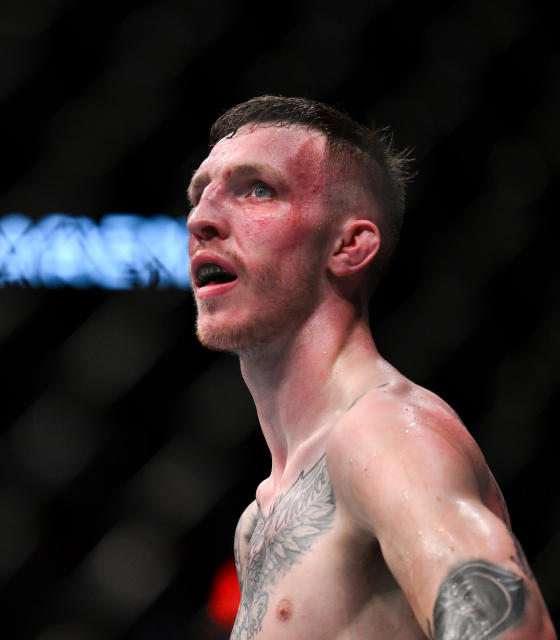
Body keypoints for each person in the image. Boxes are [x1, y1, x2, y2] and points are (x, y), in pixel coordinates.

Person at [186, 95, 556, 639]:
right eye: (199, 194)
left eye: (257, 189)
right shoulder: (259, 518)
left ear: (350, 246)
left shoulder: (381, 432)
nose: (201, 218)